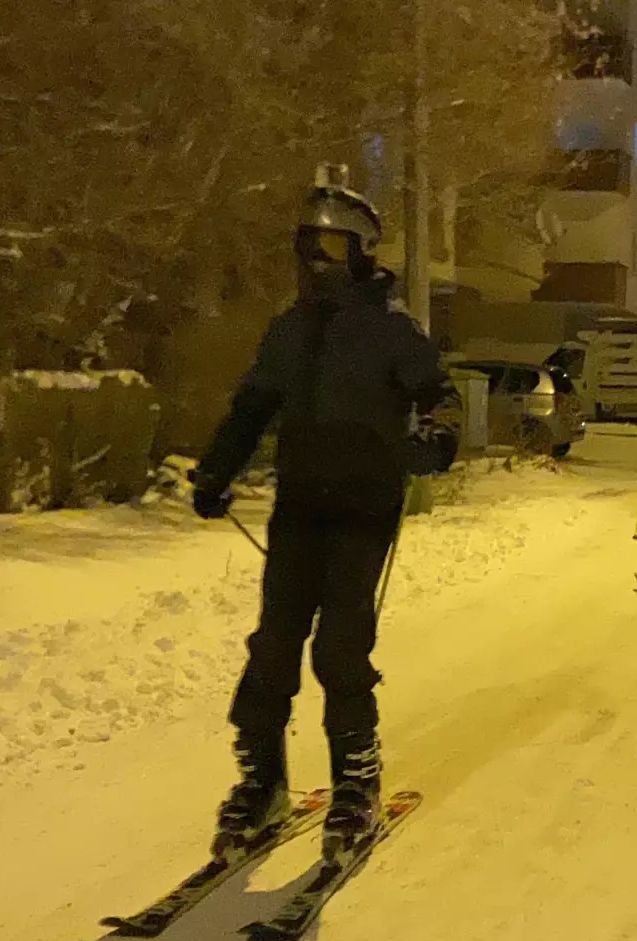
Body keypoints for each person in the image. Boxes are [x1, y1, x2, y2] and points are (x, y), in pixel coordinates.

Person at [189, 163, 461, 861]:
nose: (319, 261)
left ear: (364, 253)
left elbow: (438, 394)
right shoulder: (290, 330)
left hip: (365, 509)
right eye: (309, 247)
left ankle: (355, 785)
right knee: (272, 648)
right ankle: (263, 781)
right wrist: (217, 470)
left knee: (340, 649)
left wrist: (435, 436)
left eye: (333, 248)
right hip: (300, 507)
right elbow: (252, 406)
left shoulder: (394, 330)